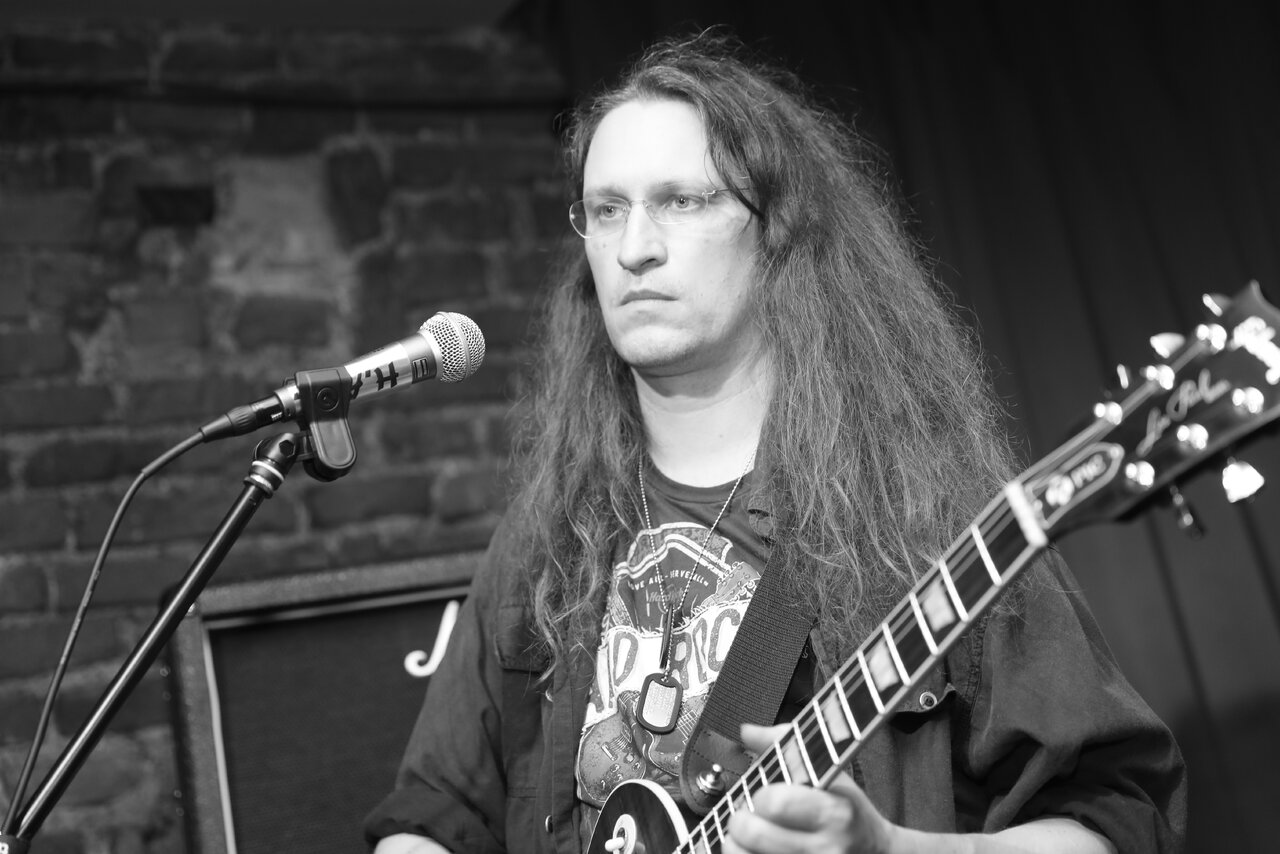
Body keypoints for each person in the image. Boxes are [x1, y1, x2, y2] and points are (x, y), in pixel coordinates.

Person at [364, 30, 1186, 854]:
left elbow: (1116, 821)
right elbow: (432, 812)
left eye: (683, 201)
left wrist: (893, 850)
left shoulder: (927, 517)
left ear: (776, 233)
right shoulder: (551, 534)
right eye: (607, 209)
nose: (634, 246)